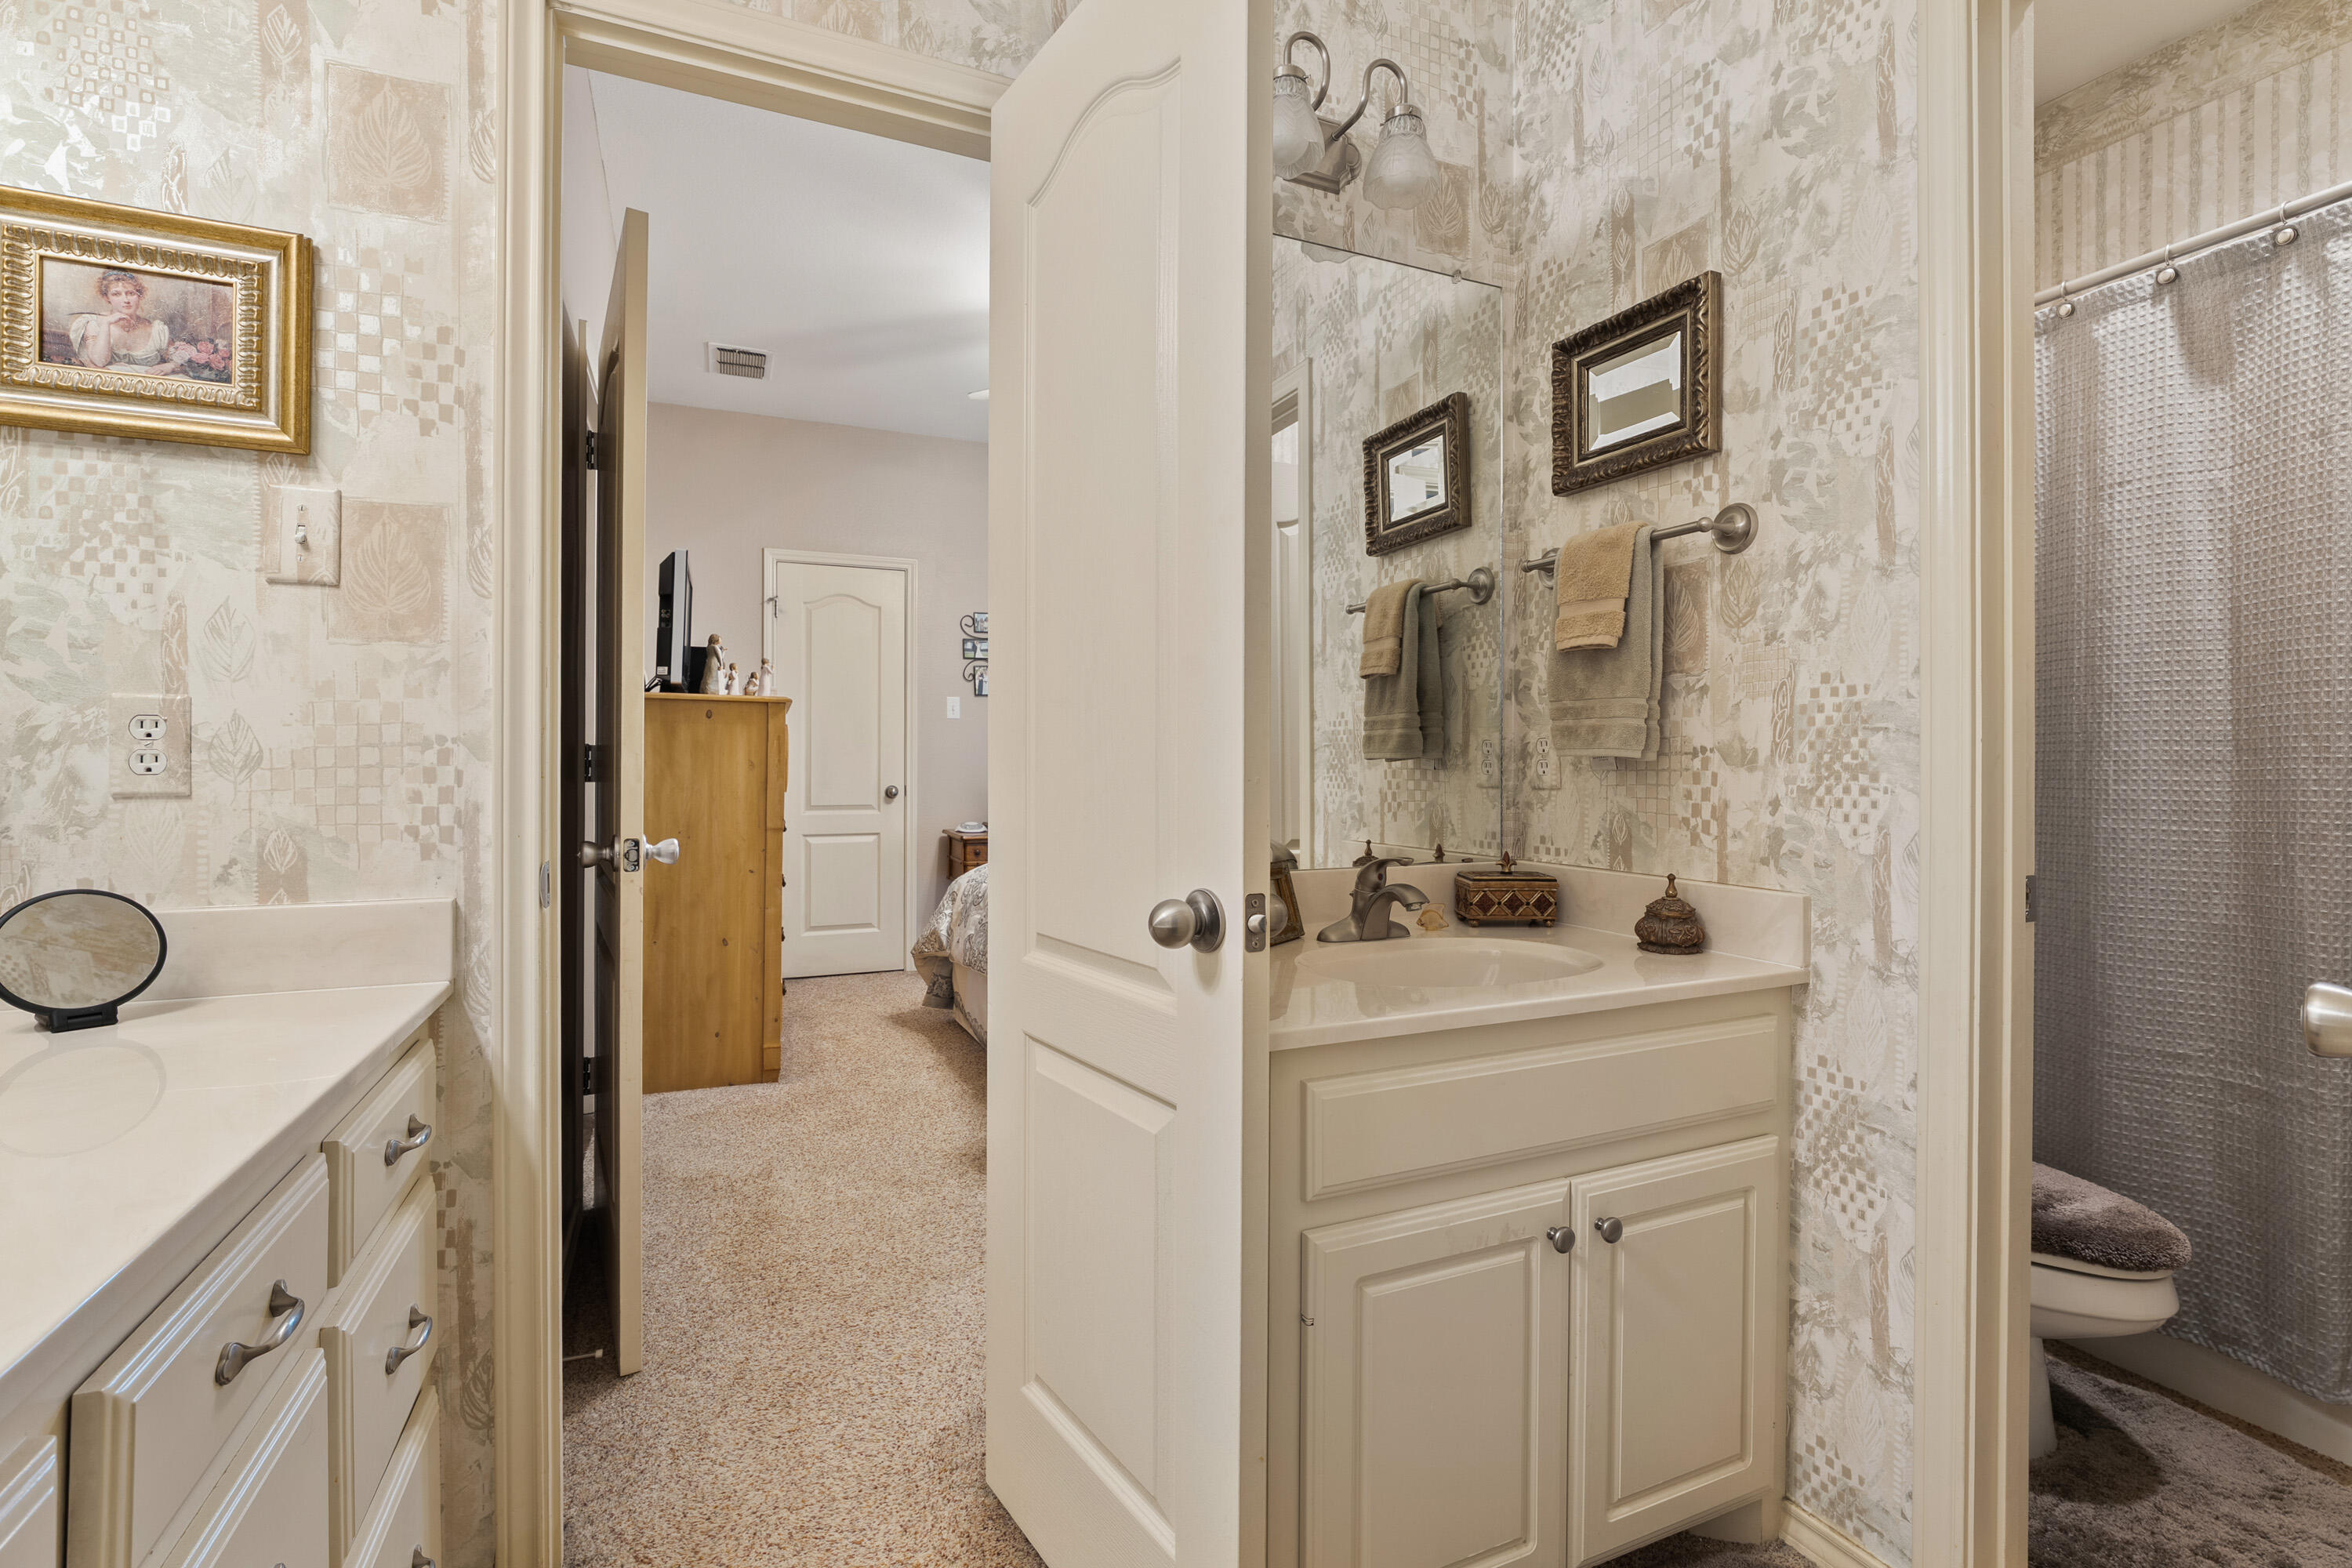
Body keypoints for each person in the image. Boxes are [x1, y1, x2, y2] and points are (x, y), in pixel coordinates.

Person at [67, 270, 194, 373]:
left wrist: (171, 366)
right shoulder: (94, 324)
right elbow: (100, 361)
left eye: (131, 293)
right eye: (117, 294)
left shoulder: (157, 329)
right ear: (107, 298)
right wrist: (106, 324)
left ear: (140, 296)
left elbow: (182, 361)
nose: (126, 300)